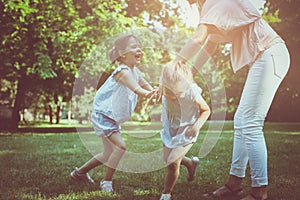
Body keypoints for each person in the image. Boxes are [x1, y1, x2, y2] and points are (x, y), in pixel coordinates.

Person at [176, 0, 290, 199]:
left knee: (251, 124)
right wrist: (190, 73)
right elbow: (209, 45)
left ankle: (259, 192)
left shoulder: (217, 2)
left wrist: (176, 64)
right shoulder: (210, 8)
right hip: (264, 57)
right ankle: (233, 186)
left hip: (269, 53)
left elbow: (198, 38)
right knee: (241, 121)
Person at [70, 33, 157, 192]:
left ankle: (79, 173)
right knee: (120, 147)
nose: (139, 49)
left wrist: (155, 92)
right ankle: (106, 182)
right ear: (122, 54)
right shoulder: (122, 72)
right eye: (134, 47)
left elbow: (146, 85)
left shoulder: (135, 71)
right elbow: (138, 89)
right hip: (104, 115)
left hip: (110, 116)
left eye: (140, 47)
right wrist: (148, 93)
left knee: (108, 152)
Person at [159, 62, 211, 200]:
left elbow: (206, 110)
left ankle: (166, 193)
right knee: (167, 158)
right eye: (168, 92)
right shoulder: (164, 87)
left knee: (172, 162)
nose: (172, 96)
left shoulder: (191, 92)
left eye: (176, 93)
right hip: (170, 129)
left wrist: (196, 126)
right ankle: (190, 164)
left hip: (187, 131)